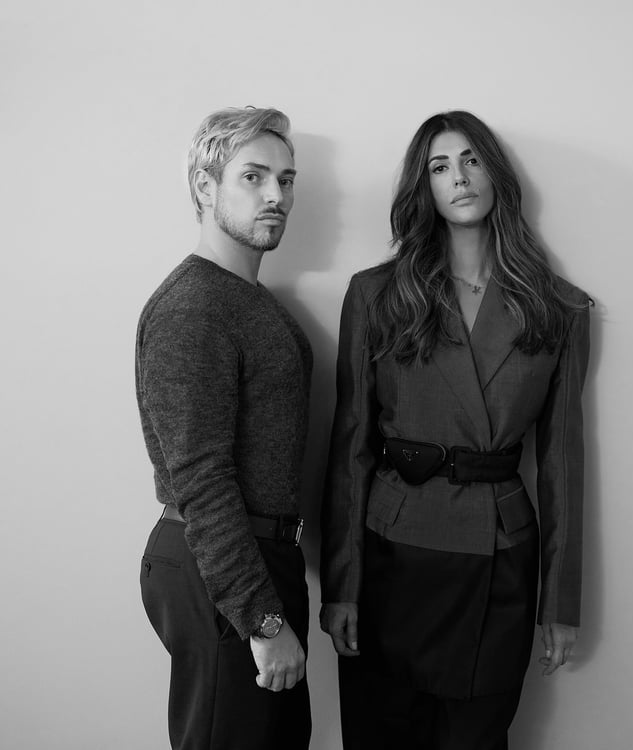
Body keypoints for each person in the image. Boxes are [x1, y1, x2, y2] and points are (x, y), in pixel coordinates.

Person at [320, 110, 591, 750]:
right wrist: (342, 588)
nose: (459, 178)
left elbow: (562, 462)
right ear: (425, 188)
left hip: (498, 562)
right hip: (393, 559)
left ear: (495, 173)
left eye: (471, 160)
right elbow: (351, 449)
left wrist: (560, 603)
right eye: (439, 167)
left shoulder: (559, 307)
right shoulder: (376, 295)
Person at [136, 106, 312, 750]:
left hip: (255, 559)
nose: (276, 196)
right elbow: (201, 477)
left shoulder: (244, 298)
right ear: (205, 187)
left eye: (286, 180)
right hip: (221, 567)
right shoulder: (194, 307)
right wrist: (262, 620)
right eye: (253, 176)